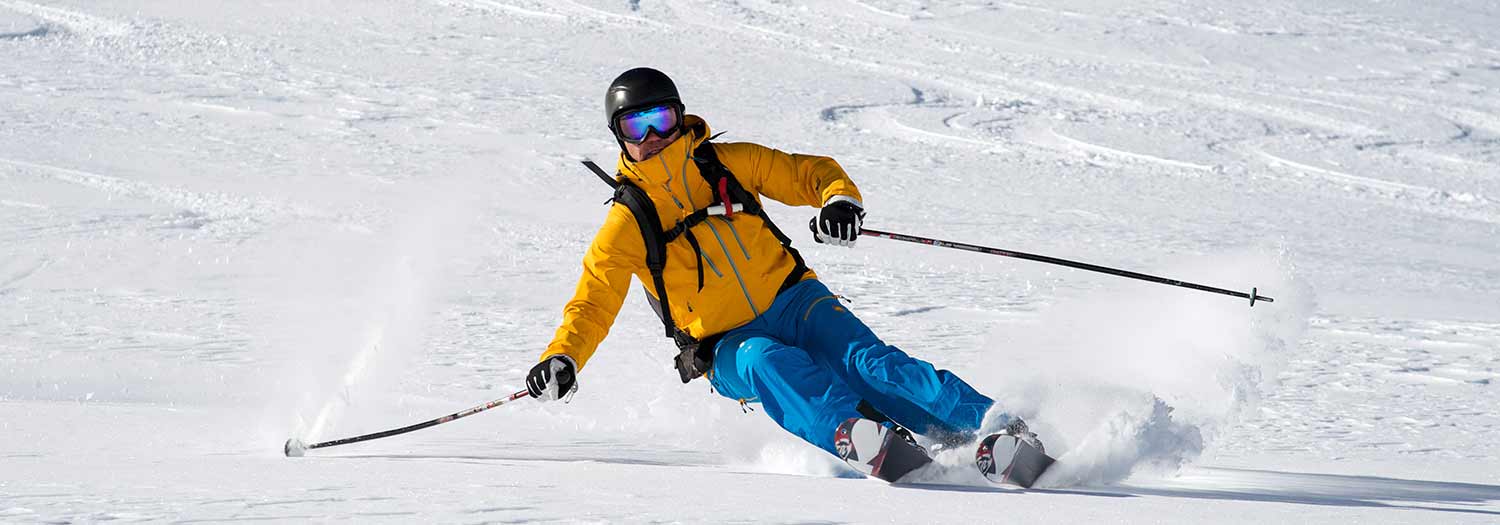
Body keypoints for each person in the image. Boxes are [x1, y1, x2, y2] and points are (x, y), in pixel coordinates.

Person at [524, 67, 1038, 480]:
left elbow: (807, 172)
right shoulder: (628, 222)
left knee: (872, 364)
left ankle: (995, 428)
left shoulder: (727, 164)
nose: (654, 136)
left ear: (680, 116)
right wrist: (563, 357)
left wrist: (838, 200)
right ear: (619, 136)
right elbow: (593, 299)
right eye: (637, 126)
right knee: (768, 361)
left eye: (661, 118)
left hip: (795, 301)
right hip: (725, 346)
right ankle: (863, 435)